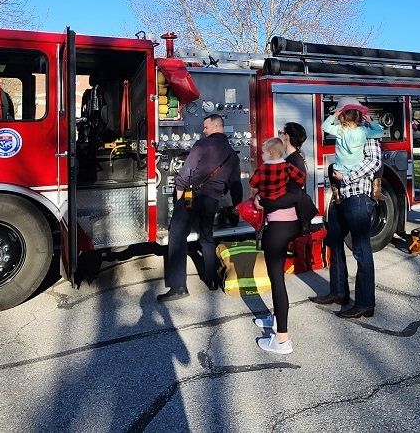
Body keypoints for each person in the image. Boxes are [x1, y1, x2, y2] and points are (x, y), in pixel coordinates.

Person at [158, 114, 243, 302]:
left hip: (191, 196)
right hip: (212, 200)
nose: (203, 131)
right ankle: (211, 280)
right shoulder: (231, 153)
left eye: (205, 127)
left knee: (177, 236)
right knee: (207, 238)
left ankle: (178, 287)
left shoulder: (202, 145)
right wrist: (237, 205)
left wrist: (179, 190)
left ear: (215, 126)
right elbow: (236, 183)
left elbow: (187, 170)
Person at [314, 135, 381, 319]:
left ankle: (365, 303)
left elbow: (374, 162)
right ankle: (339, 292)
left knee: (361, 249)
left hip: (358, 197)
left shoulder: (367, 133)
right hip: (341, 197)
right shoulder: (344, 134)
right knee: (334, 240)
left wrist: (347, 177)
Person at [250, 137, 306, 354]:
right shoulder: (290, 167)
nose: (262, 153)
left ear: (271, 153)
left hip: (276, 227)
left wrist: (261, 199)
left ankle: (281, 339)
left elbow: (253, 183)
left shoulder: (264, 169)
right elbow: (301, 180)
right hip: (291, 224)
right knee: (277, 280)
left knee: (277, 281)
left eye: (264, 150)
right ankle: (275, 320)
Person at [321, 97, 384, 203]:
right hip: (356, 168)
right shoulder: (364, 131)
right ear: (359, 117)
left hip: (341, 170)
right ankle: (376, 190)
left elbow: (324, 127)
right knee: (380, 165)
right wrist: (370, 121)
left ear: (341, 116)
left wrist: (333, 115)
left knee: (331, 168)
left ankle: (336, 195)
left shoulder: (339, 130)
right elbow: (379, 132)